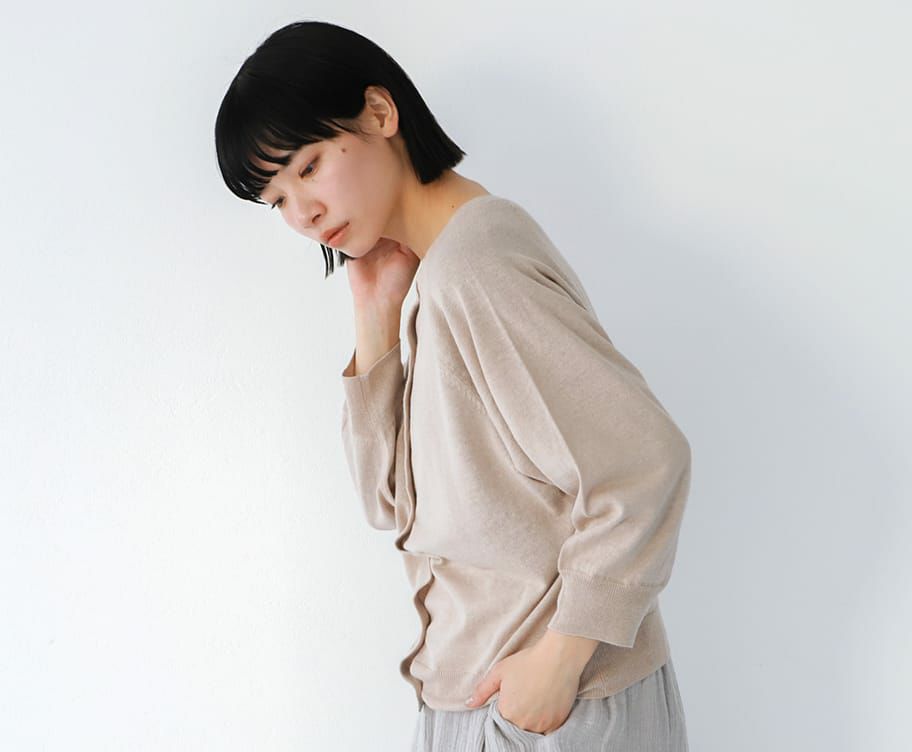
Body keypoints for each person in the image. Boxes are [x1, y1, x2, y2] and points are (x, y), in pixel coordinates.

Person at [215, 20, 692, 751]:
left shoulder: (476, 266)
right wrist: (376, 320)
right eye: (276, 199)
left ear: (380, 113)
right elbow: (388, 504)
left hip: (551, 703)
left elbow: (646, 460)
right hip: (486, 690)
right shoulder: (436, 275)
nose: (302, 215)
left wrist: (562, 658)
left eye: (307, 168)